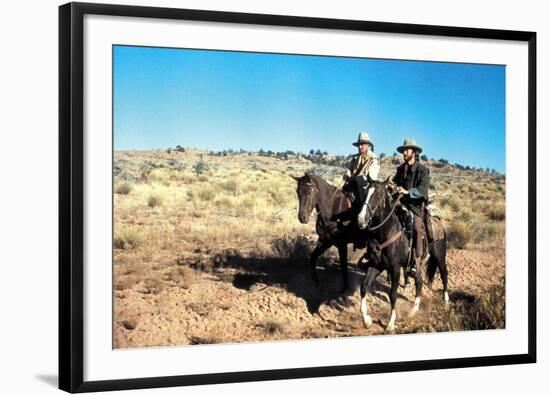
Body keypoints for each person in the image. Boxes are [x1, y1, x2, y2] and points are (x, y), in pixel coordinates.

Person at [389, 139, 430, 276]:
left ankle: (415, 261)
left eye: (407, 150)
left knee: (417, 229)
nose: (404, 153)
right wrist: (392, 185)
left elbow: (423, 191)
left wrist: (407, 192)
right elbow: (395, 182)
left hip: (415, 206)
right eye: (403, 150)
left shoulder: (422, 170)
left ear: (414, 152)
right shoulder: (401, 169)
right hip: (400, 203)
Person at [342, 132, 380, 228]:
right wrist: (347, 173)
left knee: (357, 181)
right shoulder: (355, 158)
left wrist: (357, 177)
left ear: (367, 145)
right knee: (345, 188)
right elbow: (349, 169)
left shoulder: (374, 159)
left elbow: (372, 177)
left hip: (366, 186)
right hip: (354, 183)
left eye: (362, 144)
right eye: (359, 145)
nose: (360, 147)